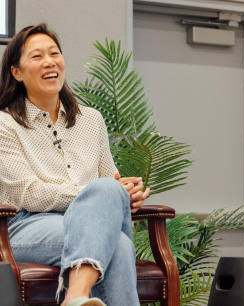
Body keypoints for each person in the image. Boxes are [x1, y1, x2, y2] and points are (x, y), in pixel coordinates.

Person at [0, 24, 150, 306]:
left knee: (115, 237)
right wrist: (96, 193)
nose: (49, 61)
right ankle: (75, 297)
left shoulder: (91, 120)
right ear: (16, 72)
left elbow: (110, 181)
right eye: (36, 56)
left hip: (90, 221)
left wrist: (127, 195)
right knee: (117, 241)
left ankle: (76, 297)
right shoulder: (4, 124)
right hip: (22, 227)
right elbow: (27, 194)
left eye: (54, 53)